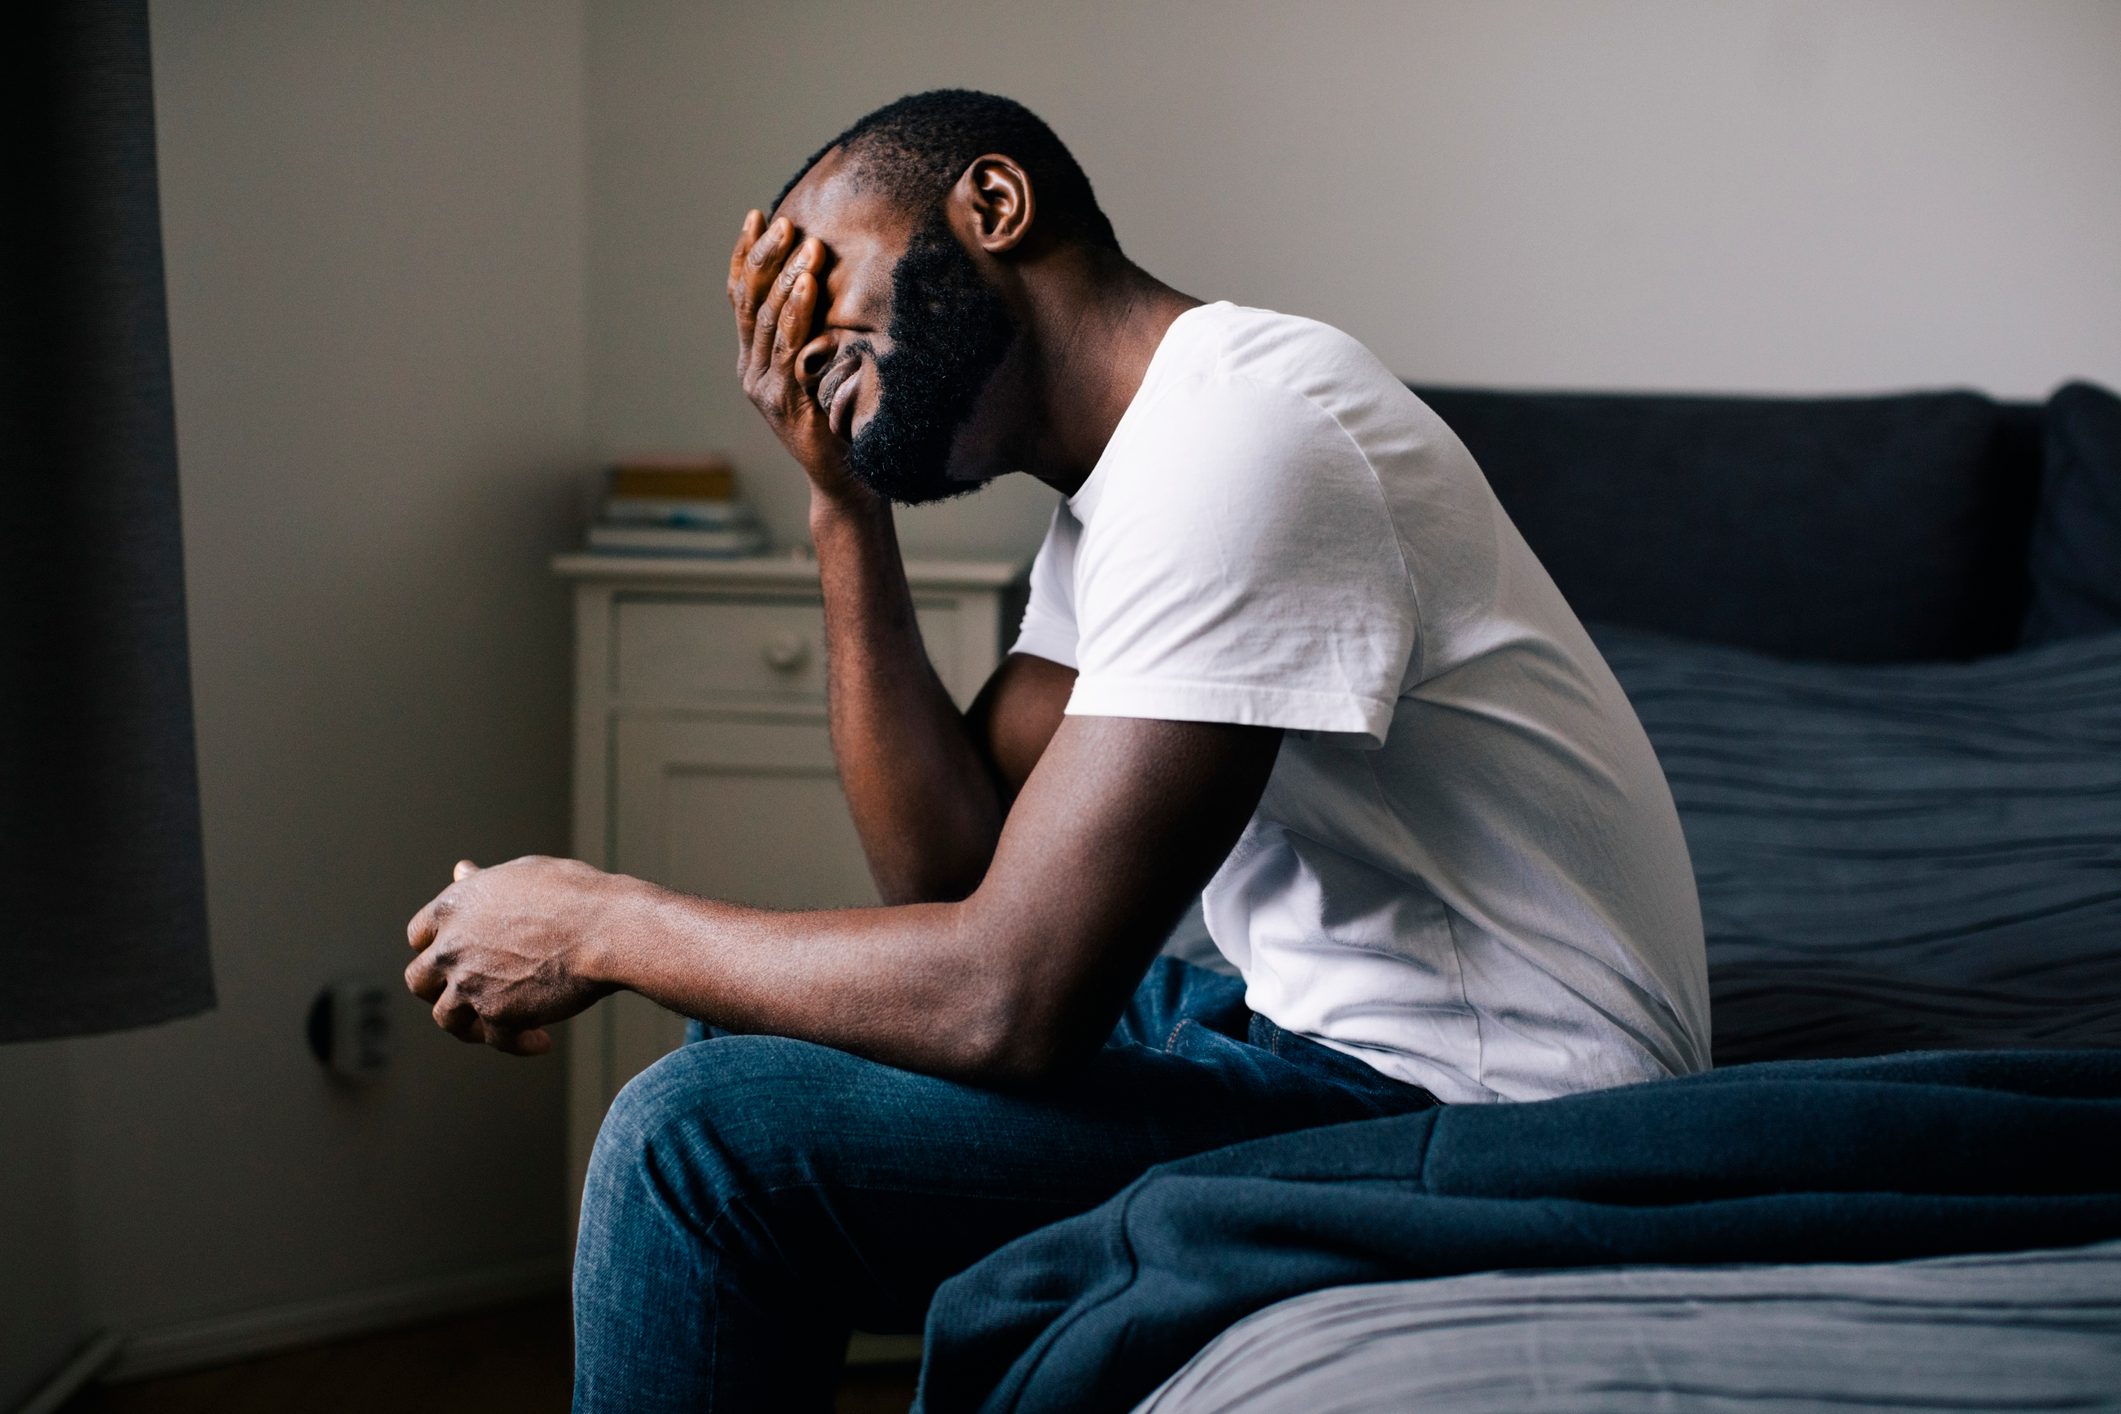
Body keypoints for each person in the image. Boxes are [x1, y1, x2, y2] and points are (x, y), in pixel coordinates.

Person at [403, 89, 1711, 1412]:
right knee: (734, 1021)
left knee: (693, 1144)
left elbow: (1005, 998)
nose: (804, 345)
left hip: (1495, 1117)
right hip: (1314, 1034)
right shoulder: (1133, 488)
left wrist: (600, 922)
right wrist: (840, 505)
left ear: (993, 206)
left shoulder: (1244, 438)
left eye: (826, 282)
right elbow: (944, 867)